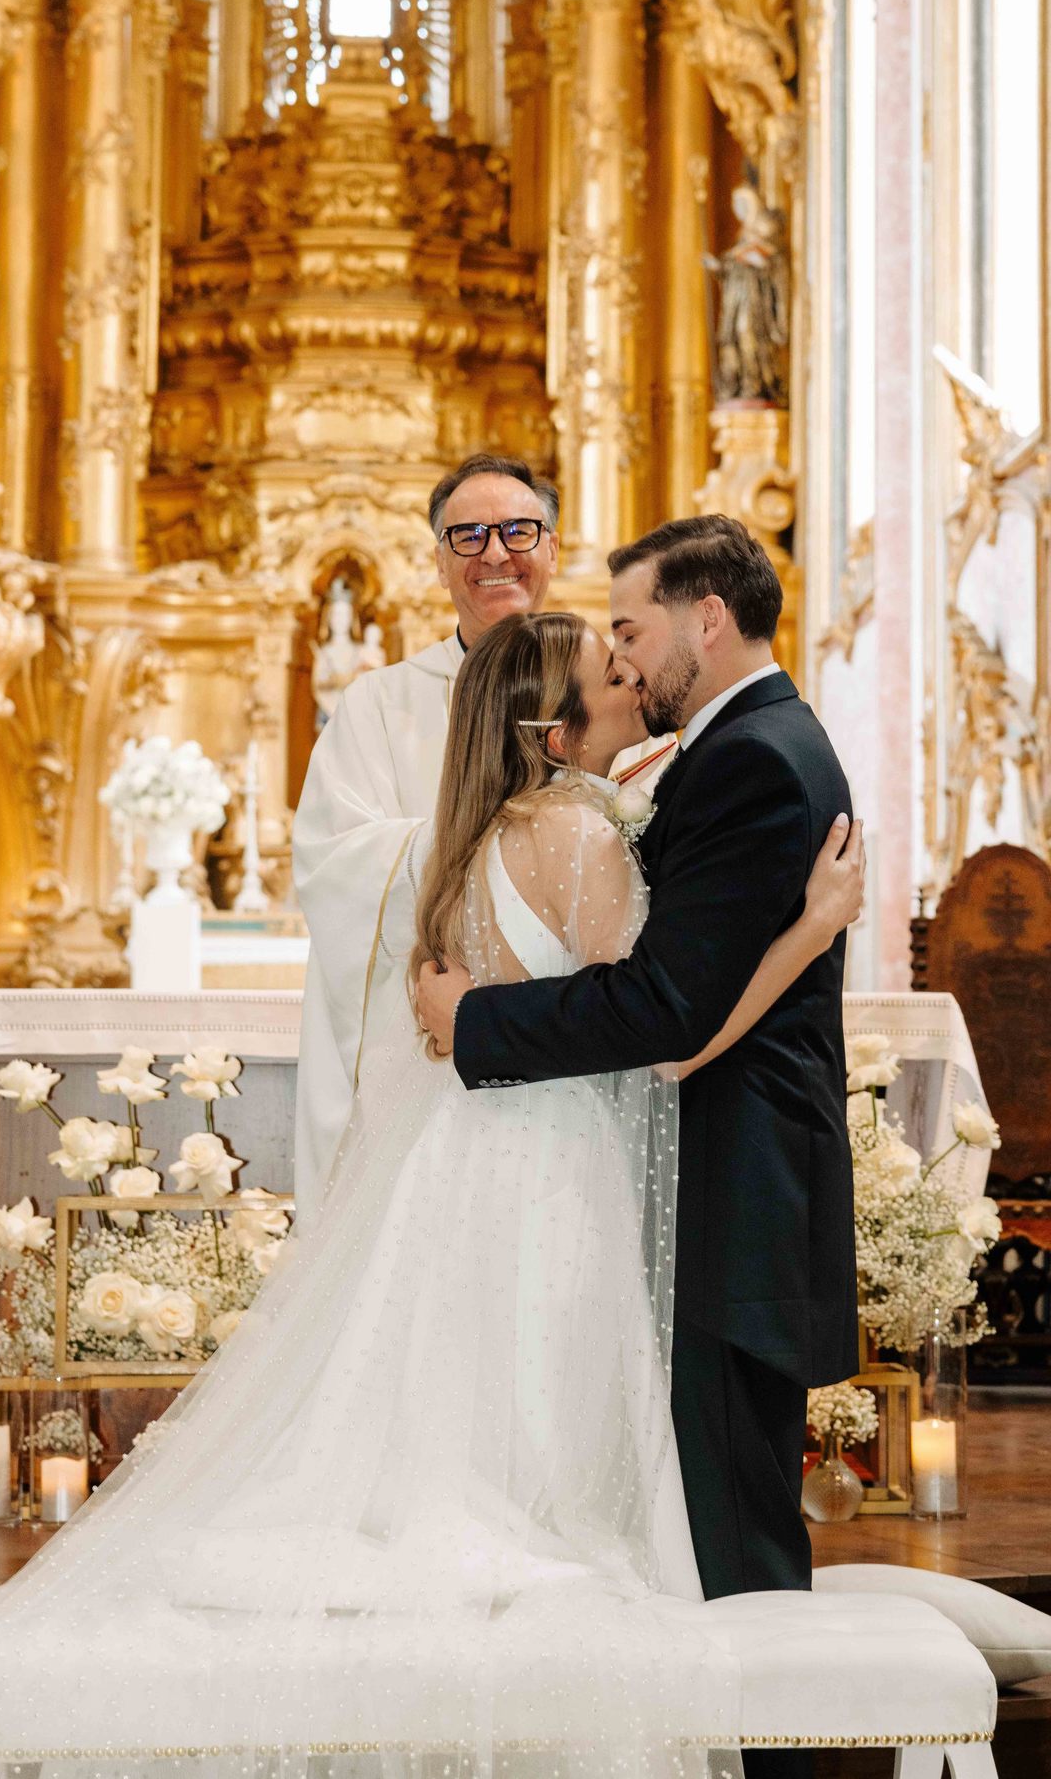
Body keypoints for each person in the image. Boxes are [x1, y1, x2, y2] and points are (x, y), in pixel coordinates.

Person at [0, 611, 862, 1779]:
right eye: (607, 674)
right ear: (555, 730)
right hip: (555, 1171)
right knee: (544, 1439)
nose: (630, 680)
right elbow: (667, 1037)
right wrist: (813, 925)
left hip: (462, 1163)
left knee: (462, 1413)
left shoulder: (473, 840)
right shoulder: (582, 837)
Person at [417, 517, 861, 1779]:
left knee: (731, 1538)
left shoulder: (753, 759)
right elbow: (673, 995)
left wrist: (475, 1021)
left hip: (733, 1196)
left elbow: (665, 1014)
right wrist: (809, 928)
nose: (620, 655)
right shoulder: (719, 755)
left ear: (703, 618)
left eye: (629, 627)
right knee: (705, 1517)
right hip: (694, 1185)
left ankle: (767, 1756)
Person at [291, 451, 562, 1227]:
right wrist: (515, 851)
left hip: (571, 1035)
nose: (494, 553)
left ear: (552, 548)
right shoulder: (379, 703)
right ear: (439, 563)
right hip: (420, 1043)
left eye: (518, 531)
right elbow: (335, 862)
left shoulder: (605, 689)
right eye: (467, 536)